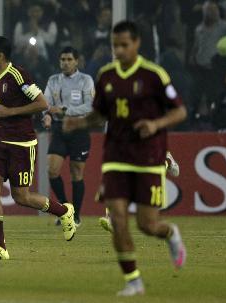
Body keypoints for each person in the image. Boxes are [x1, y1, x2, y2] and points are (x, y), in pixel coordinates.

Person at [63, 21, 187, 296]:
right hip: (116, 157)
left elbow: (179, 112)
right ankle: (134, 280)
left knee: (147, 225)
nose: (118, 50)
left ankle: (170, 234)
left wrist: (155, 125)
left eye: (124, 45)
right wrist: (79, 122)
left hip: (148, 156)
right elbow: (99, 115)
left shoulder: (154, 75)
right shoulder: (106, 76)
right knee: (117, 220)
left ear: (136, 43)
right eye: (114, 45)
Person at [0, 36, 76, 260]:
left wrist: (9, 112)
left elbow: (42, 104)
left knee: (21, 197)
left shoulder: (18, 75)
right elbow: (6, 106)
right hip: (0, 142)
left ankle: (64, 211)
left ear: (0, 55)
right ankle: (0, 247)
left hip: (22, 144)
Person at [42, 47, 94, 225]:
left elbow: (89, 106)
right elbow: (45, 103)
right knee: (52, 169)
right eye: (62, 59)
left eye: (69, 59)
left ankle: (76, 215)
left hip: (79, 129)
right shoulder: (53, 80)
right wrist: (47, 115)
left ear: (76, 61)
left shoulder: (85, 80)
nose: (65, 62)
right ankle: (66, 211)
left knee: (76, 173)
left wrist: (65, 110)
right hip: (59, 129)